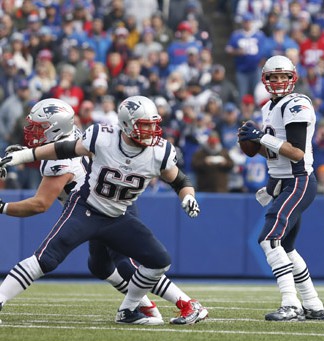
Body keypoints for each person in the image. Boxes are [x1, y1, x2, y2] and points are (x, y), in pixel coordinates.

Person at [0, 98, 208, 325]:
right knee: (76, 263)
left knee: (141, 263)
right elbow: (64, 148)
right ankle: (144, 307)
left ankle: (160, 306)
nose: (150, 130)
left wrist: (188, 196)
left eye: (152, 124)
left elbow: (179, 179)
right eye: (144, 124)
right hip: (87, 209)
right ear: (127, 124)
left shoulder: (160, 151)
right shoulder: (99, 136)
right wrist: (25, 155)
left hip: (118, 210)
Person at [237, 55, 324, 321]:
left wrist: (261, 137)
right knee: (285, 246)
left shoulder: (297, 103)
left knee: (269, 239)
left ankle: (291, 304)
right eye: (272, 77)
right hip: (281, 183)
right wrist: (253, 144)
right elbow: (274, 153)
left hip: (298, 180)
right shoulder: (268, 108)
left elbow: (296, 153)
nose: (277, 82)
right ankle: (312, 303)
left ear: (292, 78)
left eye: (283, 77)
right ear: (265, 80)